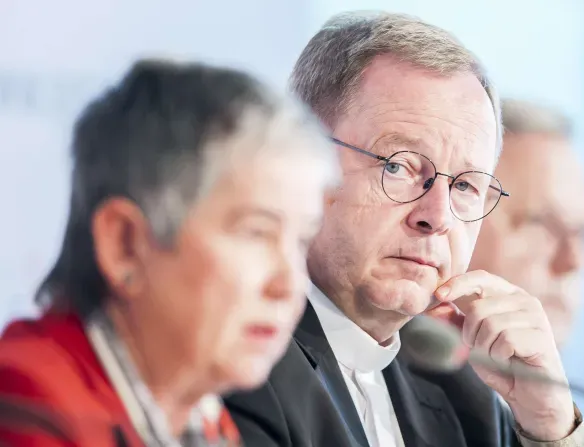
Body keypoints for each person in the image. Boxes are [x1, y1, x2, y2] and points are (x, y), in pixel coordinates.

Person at [225, 11, 584, 447]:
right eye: (399, 165)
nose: (436, 217)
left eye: (464, 185)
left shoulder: (461, 390)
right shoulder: (231, 360)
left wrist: (549, 426)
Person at [0, 59, 339, 446]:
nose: (290, 284)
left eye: (300, 241)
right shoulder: (25, 406)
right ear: (125, 246)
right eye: (256, 233)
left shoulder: (205, 421)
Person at [403, 99, 584, 445]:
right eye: (543, 224)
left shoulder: (564, 425)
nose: (575, 261)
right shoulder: (371, 388)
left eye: (583, 235)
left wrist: (553, 433)